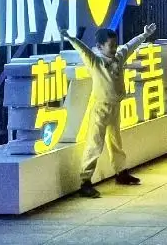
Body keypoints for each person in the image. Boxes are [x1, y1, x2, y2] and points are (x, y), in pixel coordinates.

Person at [61, 24, 158, 198]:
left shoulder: (119, 57)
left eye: (115, 45)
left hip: (115, 106)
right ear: (99, 47)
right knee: (95, 143)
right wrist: (70, 38)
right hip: (100, 108)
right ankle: (85, 181)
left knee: (115, 141)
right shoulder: (95, 62)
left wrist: (144, 35)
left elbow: (130, 45)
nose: (115, 48)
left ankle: (120, 172)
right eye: (111, 46)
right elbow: (83, 50)